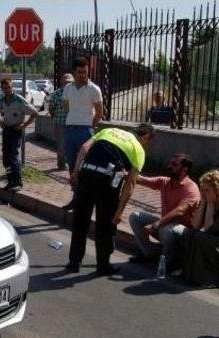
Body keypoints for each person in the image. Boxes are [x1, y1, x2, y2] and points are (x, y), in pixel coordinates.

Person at [66, 124, 155, 276]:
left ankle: (74, 262)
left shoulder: (109, 131)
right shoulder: (138, 149)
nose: (147, 145)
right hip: (109, 181)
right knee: (105, 225)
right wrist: (119, 212)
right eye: (149, 141)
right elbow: (130, 184)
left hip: (87, 174)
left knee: (80, 221)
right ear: (146, 137)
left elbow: (84, 148)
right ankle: (103, 266)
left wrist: (75, 171)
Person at [128, 154, 200, 267]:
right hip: (165, 226)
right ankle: (149, 254)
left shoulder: (191, 188)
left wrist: (156, 224)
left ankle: (169, 262)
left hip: (183, 234)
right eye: (170, 163)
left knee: (166, 229)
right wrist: (126, 174)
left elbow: (180, 210)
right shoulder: (165, 182)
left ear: (185, 169)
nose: (169, 166)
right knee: (135, 216)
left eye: (174, 164)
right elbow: (142, 179)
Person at [177, 170, 219, 288]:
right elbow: (195, 225)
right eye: (202, 190)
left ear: (218, 190)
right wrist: (204, 203)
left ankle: (211, 280)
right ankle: (188, 273)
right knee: (189, 233)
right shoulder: (208, 201)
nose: (203, 193)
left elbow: (209, 230)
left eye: (207, 190)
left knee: (201, 237)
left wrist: (210, 204)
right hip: (215, 240)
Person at [62, 57, 104, 210]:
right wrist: (73, 120)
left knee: (85, 166)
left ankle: (85, 200)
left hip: (85, 130)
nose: (82, 75)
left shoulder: (94, 89)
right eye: (79, 72)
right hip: (69, 130)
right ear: (74, 72)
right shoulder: (68, 88)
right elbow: (67, 108)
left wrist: (89, 128)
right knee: (72, 165)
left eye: (85, 72)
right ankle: (76, 197)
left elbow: (99, 113)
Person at [0, 78, 38, 191]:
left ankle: (18, 182)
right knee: (5, 158)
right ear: (2, 89)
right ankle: (10, 181)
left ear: (12, 87)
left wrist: (24, 125)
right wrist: (0, 122)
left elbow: (35, 113)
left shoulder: (19, 100)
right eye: (4, 88)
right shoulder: (3, 100)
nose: (7, 90)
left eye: (8, 87)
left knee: (13, 156)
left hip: (16, 130)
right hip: (6, 130)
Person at [48, 73, 74, 170]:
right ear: (62, 82)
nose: (67, 84)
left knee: (71, 145)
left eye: (69, 82)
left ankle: (71, 163)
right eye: (65, 82)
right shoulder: (56, 94)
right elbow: (51, 109)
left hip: (73, 123)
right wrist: (55, 117)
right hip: (60, 123)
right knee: (61, 145)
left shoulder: (75, 93)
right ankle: (61, 164)